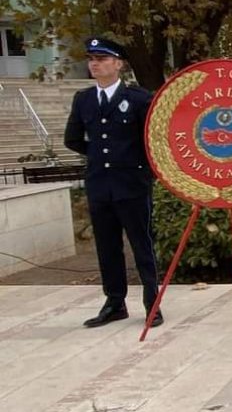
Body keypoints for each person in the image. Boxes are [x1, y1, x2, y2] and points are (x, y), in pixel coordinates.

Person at [63, 37, 162, 328]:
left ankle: (152, 304)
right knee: (107, 248)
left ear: (118, 64)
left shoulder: (138, 98)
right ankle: (115, 302)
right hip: (100, 185)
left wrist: (135, 164)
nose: (94, 63)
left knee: (142, 244)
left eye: (102, 58)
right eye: (91, 58)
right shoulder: (83, 99)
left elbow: (153, 140)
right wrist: (97, 156)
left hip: (132, 183)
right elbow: (72, 139)